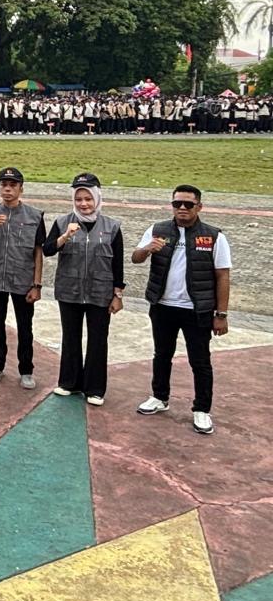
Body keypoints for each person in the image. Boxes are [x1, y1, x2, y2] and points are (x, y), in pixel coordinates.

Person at [132, 184, 231, 434]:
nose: (183, 208)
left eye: (189, 204)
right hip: (163, 306)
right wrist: (147, 249)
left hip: (196, 309)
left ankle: (202, 409)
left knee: (200, 361)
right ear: (172, 206)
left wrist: (221, 314)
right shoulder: (158, 230)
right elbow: (135, 258)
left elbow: (223, 275)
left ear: (199, 206)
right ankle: (159, 397)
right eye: (177, 204)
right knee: (161, 354)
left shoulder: (213, 236)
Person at [43, 173, 124, 405]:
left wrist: (117, 294)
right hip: (69, 290)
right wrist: (65, 237)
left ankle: (95, 388)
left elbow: (117, 263)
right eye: (78, 199)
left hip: (100, 291)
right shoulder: (62, 222)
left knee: (98, 339)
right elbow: (47, 250)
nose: (83, 204)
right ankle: (69, 382)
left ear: (97, 198)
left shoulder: (112, 226)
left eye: (88, 198)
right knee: (70, 337)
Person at [0, 167, 45, 390]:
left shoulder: (34, 216)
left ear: (21, 189)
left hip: (23, 279)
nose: (8, 189)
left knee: (25, 327)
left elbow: (38, 252)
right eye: (4, 185)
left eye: (13, 185)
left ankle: (26, 370)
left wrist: (37, 284)